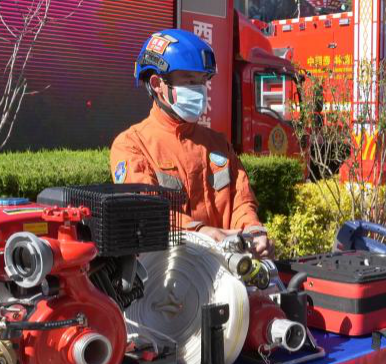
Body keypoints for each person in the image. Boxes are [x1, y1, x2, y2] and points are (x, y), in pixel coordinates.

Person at [111, 29, 273, 258]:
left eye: (202, 81)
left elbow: (241, 200)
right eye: (189, 80)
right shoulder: (132, 145)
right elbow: (146, 213)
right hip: (168, 270)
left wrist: (253, 231)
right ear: (157, 84)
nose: (199, 91)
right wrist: (201, 232)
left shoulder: (218, 144)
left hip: (226, 266)